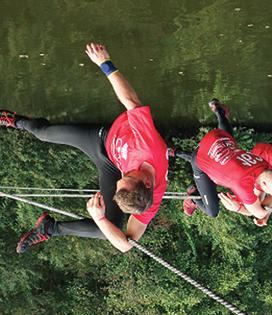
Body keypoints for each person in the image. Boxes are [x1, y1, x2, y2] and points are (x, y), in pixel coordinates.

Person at [0, 43, 168, 254]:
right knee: (43, 134)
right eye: (127, 177)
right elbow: (132, 102)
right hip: (101, 138)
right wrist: (105, 64)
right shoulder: (149, 148)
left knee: (107, 228)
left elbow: (125, 245)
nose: (122, 176)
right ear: (145, 182)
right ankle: (15, 121)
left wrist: (99, 217)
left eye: (119, 183)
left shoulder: (147, 202)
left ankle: (50, 229)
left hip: (109, 164)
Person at [176, 99, 272, 221]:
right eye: (269, 191)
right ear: (265, 184)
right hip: (201, 157)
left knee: (229, 138)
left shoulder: (264, 165)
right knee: (212, 212)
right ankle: (193, 197)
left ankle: (219, 111)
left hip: (217, 139)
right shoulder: (242, 184)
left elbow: (258, 200)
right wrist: (238, 209)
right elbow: (259, 213)